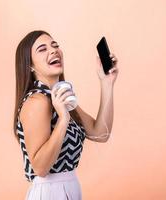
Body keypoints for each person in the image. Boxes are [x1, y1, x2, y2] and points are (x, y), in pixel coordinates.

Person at [13, 30, 119, 200]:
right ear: (29, 65)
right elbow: (40, 168)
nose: (53, 50)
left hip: (69, 187)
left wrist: (107, 83)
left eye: (55, 46)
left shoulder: (60, 96)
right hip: (49, 192)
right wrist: (63, 120)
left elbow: (101, 133)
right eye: (42, 49)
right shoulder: (38, 101)